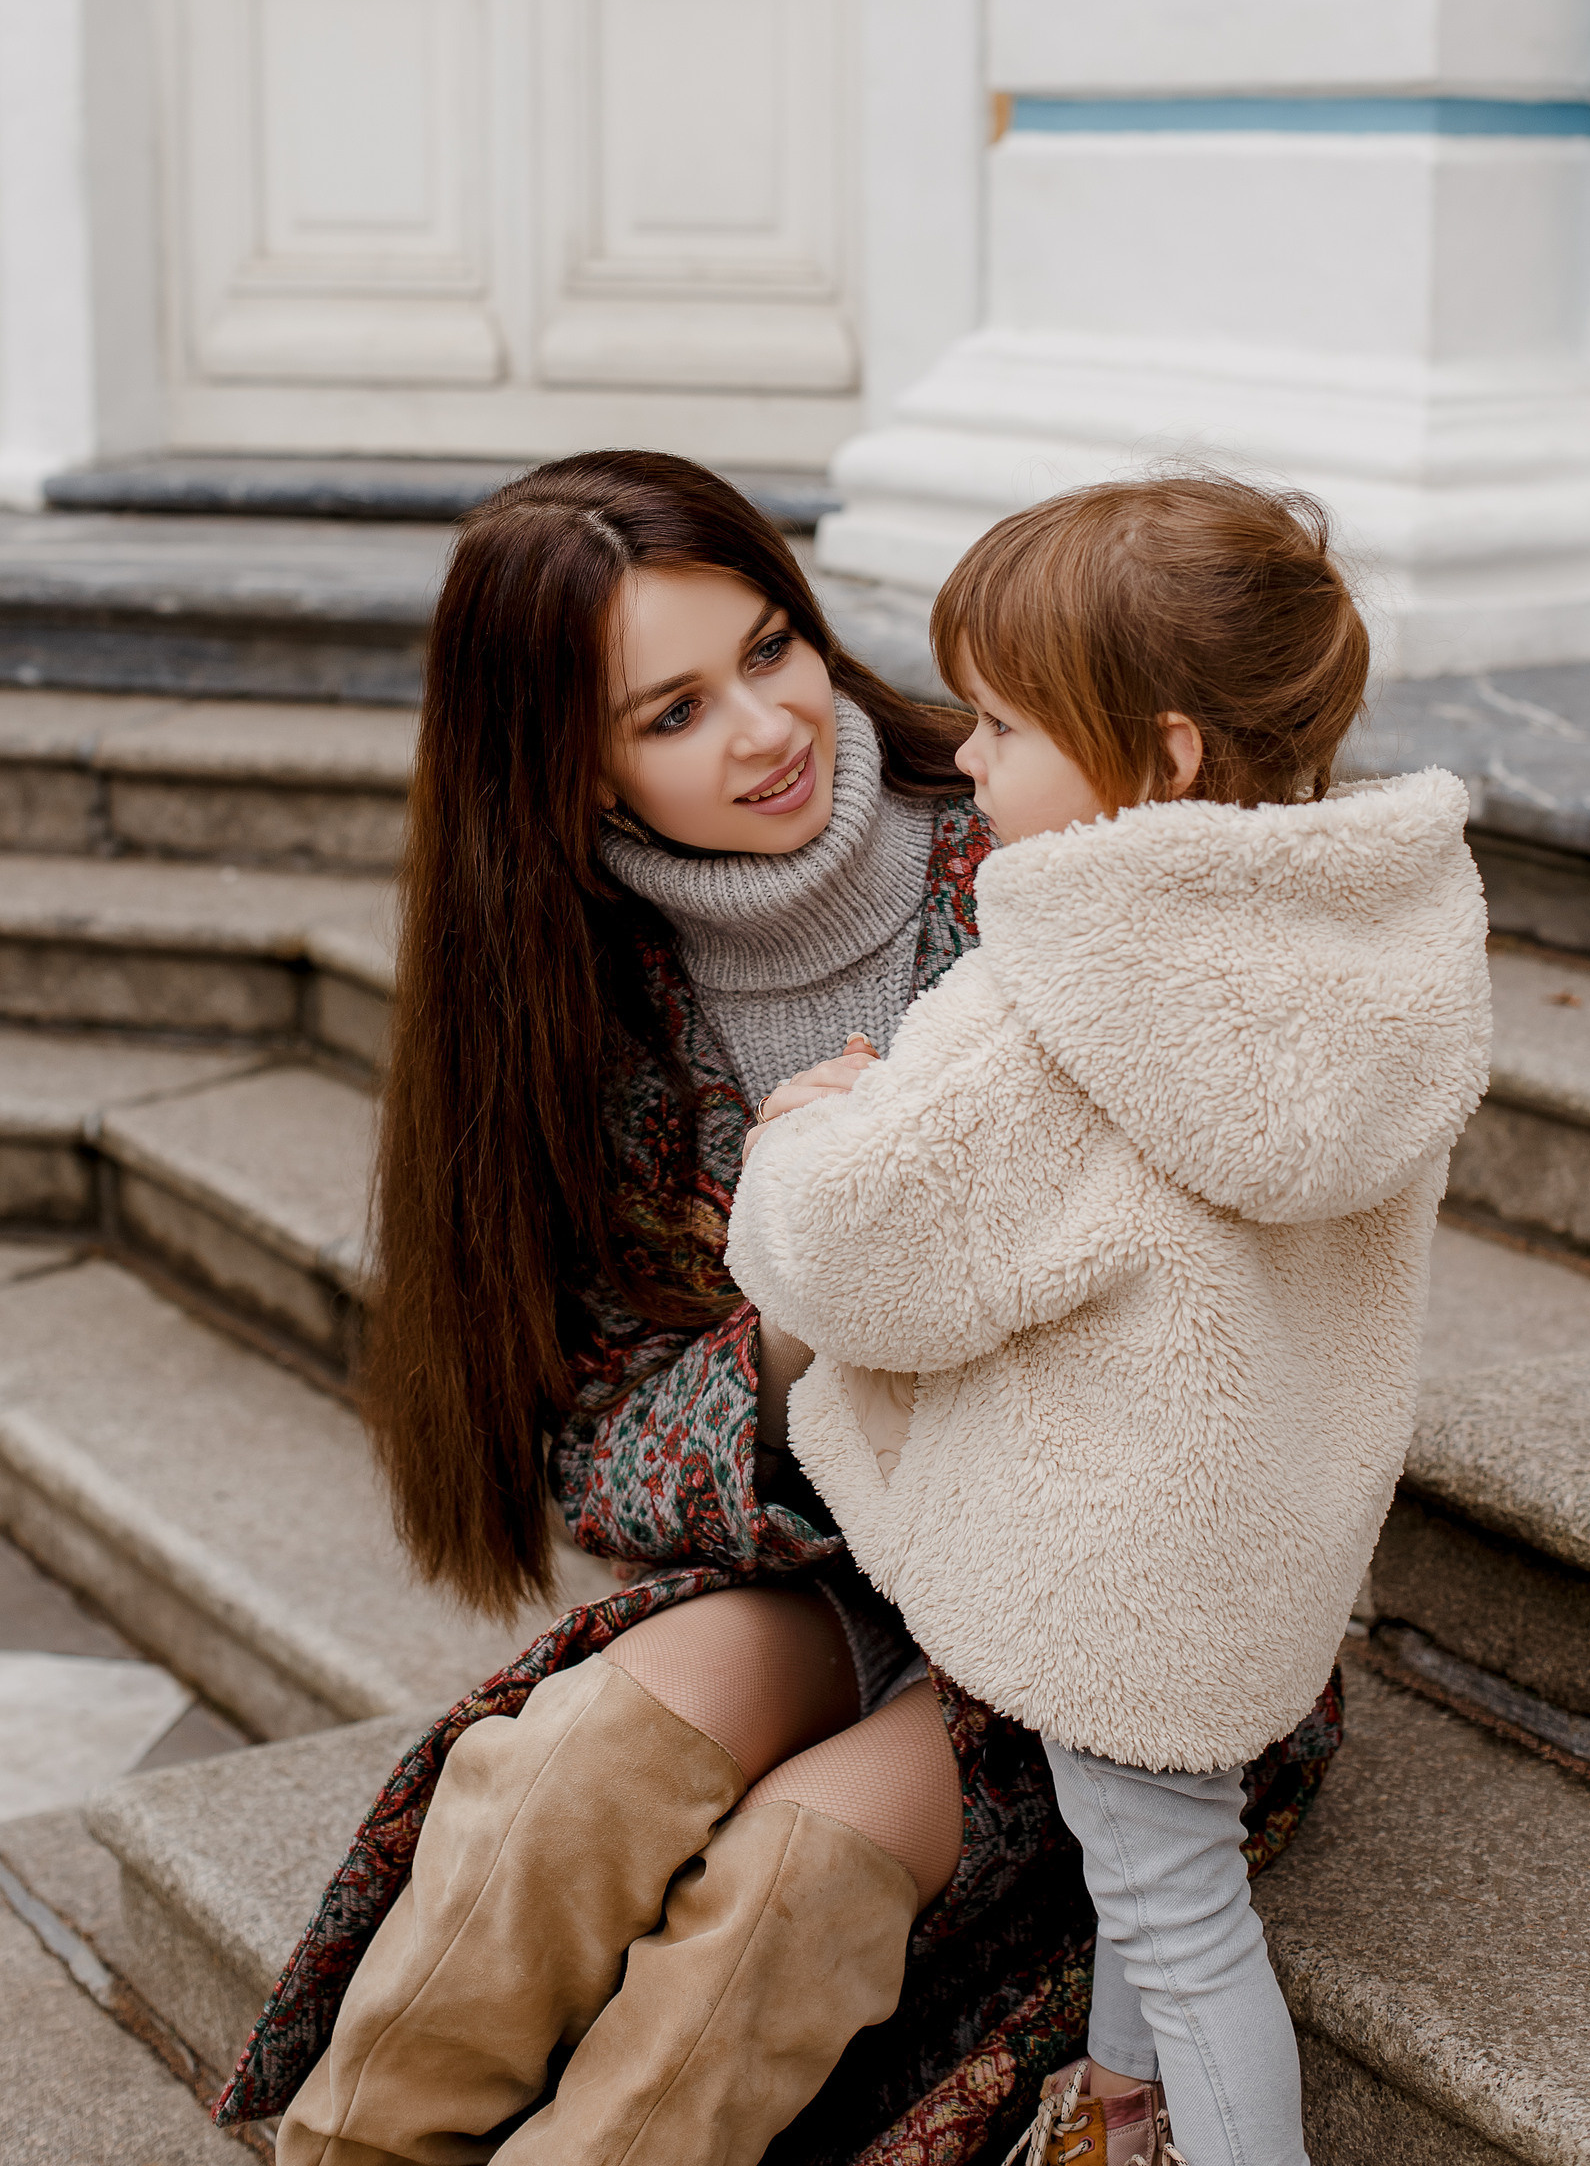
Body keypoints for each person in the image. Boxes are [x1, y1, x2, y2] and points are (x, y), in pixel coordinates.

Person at [212, 453, 1347, 2166]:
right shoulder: (566, 1010)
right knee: (560, 1782)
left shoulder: (1062, 833)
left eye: (771, 647)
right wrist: (797, 1318)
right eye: (671, 711)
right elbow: (597, 1458)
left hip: (1104, 1601)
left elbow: (1262, 1256)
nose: (765, 727)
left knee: (780, 1886)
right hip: (830, 1553)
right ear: (562, 766)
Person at [727, 477, 1491, 2166]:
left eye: (1000, 722)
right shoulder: (1371, 949)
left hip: (1114, 1554)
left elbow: (857, 1256)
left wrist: (798, 1139)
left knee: (1170, 1898)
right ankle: (1123, 2120)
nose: (968, 757)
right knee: (1163, 1858)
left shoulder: (1062, 988)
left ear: (1163, 755)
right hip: (1256, 1527)